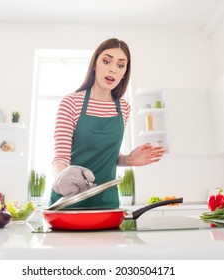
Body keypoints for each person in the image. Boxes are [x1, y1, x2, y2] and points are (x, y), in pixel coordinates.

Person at [50, 38, 166, 208]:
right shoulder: (71, 102)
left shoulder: (123, 108)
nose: (113, 69)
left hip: (106, 202)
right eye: (106, 61)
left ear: (124, 72)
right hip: (69, 201)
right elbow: (60, 158)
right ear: (95, 64)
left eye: (120, 65)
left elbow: (109, 156)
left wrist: (128, 160)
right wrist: (62, 177)